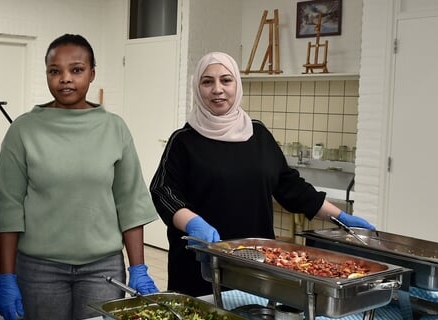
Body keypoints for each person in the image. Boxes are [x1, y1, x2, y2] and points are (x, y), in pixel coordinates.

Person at [149, 51, 375, 297]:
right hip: (199, 263)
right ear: (197, 87)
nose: (217, 89)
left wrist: (340, 217)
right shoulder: (184, 141)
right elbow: (163, 191)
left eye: (226, 80)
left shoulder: (258, 135)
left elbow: (291, 187)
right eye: (207, 81)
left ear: (237, 84)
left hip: (255, 262)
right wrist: (192, 223)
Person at [0, 33, 159, 320]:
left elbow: (130, 201)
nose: (65, 78)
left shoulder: (114, 128)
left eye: (77, 69)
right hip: (39, 270)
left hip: (102, 269)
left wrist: (138, 268)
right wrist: (6, 276)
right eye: (55, 71)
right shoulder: (24, 130)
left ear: (92, 73)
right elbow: (8, 206)